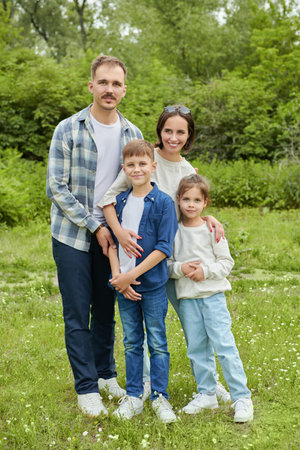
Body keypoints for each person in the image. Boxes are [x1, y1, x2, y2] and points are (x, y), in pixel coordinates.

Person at [98, 105, 230, 403]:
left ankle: (210, 383)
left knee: (193, 322)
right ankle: (144, 382)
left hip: (176, 258)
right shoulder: (144, 160)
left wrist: (210, 218)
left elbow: (190, 206)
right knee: (143, 324)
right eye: (168, 130)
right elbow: (109, 198)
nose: (173, 137)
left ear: (189, 135)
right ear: (159, 131)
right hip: (142, 258)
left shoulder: (186, 169)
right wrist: (118, 232)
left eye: (180, 132)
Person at [46, 54, 143, 417]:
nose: (109, 89)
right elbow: (56, 187)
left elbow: (147, 181)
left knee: (106, 311)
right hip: (72, 235)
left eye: (116, 84)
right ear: (91, 85)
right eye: (103, 82)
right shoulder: (68, 129)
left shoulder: (133, 134)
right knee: (77, 314)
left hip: (113, 239)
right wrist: (95, 225)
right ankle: (86, 388)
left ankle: (105, 376)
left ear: (124, 90)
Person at [167, 174, 254, 423]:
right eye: (186, 199)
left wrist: (205, 271)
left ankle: (241, 397)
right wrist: (181, 268)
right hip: (188, 299)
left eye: (197, 200)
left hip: (213, 296)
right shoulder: (174, 231)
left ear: (205, 202)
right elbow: (168, 264)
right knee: (196, 348)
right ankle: (206, 394)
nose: (191, 205)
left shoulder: (212, 229)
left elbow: (226, 262)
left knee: (224, 346)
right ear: (178, 200)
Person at [108, 140, 178, 423]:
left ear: (153, 166)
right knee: (132, 342)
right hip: (123, 288)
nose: (137, 169)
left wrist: (132, 276)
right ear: (124, 169)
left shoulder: (163, 203)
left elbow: (163, 248)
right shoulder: (120, 202)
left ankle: (160, 397)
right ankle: (134, 396)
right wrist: (120, 281)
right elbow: (113, 244)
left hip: (151, 286)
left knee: (158, 342)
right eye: (131, 165)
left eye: (142, 164)